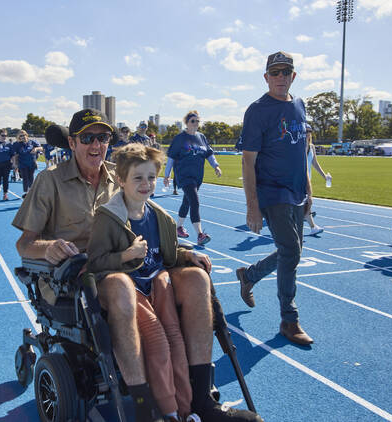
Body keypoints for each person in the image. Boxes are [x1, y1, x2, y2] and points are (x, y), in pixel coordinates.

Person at [13, 108, 261, 422]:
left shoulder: (121, 174)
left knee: (196, 279)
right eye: (87, 137)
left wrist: (185, 254)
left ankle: (200, 401)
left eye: (102, 137)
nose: (96, 144)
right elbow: (24, 244)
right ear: (72, 142)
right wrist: (49, 247)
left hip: (135, 265)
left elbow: (149, 226)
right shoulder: (50, 181)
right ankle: (145, 408)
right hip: (77, 277)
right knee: (120, 285)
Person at [87, 143, 197, 422]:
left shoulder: (161, 218)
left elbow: (167, 256)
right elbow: (95, 262)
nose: (146, 184)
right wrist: (125, 255)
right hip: (129, 289)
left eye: (151, 177)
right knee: (158, 342)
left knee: (176, 341)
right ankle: (167, 412)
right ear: (121, 180)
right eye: (138, 178)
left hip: (157, 285)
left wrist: (188, 255)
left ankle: (186, 410)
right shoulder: (108, 218)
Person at [236, 51, 314, 345]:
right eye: (275, 72)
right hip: (272, 191)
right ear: (266, 77)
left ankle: (250, 276)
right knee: (291, 251)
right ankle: (289, 319)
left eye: (286, 72)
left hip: (296, 191)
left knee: (291, 252)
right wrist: (253, 207)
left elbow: (302, 150)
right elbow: (247, 161)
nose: (281, 77)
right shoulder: (257, 110)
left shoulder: (299, 104)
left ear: (293, 76)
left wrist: (308, 189)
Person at [164, 111, 222, 245]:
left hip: (197, 176)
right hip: (184, 175)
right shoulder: (180, 138)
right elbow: (171, 157)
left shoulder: (201, 137)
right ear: (187, 123)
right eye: (193, 121)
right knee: (195, 202)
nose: (196, 124)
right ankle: (200, 235)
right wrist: (167, 175)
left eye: (197, 121)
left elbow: (209, 154)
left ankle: (178, 227)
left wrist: (216, 166)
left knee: (187, 202)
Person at [305, 124, 331, 236]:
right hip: (298, 179)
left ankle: (310, 224)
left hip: (307, 180)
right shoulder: (297, 147)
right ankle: (312, 226)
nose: (307, 133)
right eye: (305, 131)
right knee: (307, 203)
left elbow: (314, 163)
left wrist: (324, 176)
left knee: (306, 204)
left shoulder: (311, 147)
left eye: (309, 131)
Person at [12, 130, 42, 196]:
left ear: (27, 135)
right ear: (19, 137)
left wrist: (36, 149)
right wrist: (15, 163)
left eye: (24, 135)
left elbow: (41, 148)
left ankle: (31, 191)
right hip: (22, 163)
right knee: (25, 177)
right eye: (21, 136)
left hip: (32, 163)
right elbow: (15, 155)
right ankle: (26, 192)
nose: (23, 137)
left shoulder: (32, 142)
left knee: (31, 177)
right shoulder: (17, 144)